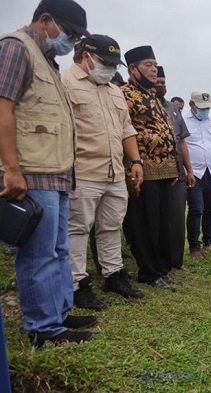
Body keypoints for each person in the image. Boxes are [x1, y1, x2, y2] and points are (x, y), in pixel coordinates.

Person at [0, 0, 96, 347]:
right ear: (45, 21)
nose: (70, 42)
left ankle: (59, 312)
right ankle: (43, 328)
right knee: (38, 254)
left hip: (56, 172)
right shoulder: (15, 48)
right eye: (69, 33)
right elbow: (3, 110)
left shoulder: (48, 61)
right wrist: (11, 169)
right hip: (32, 173)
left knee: (58, 249)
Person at [62, 35, 145, 310]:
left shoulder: (114, 90)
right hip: (83, 170)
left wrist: (135, 162)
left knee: (111, 225)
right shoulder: (65, 83)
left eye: (113, 64)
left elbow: (127, 130)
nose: (109, 68)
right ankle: (77, 284)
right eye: (104, 62)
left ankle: (113, 274)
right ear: (85, 56)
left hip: (115, 172)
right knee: (78, 229)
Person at [121, 45, 179, 289]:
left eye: (155, 65)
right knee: (144, 222)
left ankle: (161, 268)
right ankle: (148, 271)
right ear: (133, 69)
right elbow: (125, 131)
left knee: (164, 222)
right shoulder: (124, 94)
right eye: (148, 64)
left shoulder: (155, 97)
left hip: (166, 170)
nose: (153, 69)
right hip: (143, 169)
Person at [154, 66, 195, 271]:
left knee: (177, 217)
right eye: (157, 82)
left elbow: (183, 143)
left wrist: (189, 170)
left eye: (164, 82)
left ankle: (176, 262)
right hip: (155, 173)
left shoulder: (174, 109)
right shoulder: (147, 105)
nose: (161, 86)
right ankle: (158, 263)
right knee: (158, 219)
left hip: (178, 172)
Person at [183, 91, 211, 257]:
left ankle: (208, 241)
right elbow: (180, 147)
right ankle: (194, 246)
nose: (204, 111)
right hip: (194, 173)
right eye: (201, 107)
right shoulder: (183, 122)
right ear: (191, 105)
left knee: (210, 209)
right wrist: (186, 170)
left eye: (207, 108)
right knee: (196, 209)